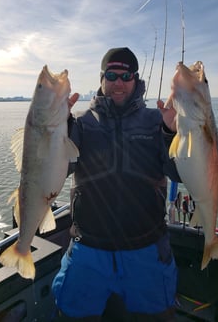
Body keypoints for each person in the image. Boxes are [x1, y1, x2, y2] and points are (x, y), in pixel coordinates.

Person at [52, 47, 181, 321]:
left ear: (136, 79)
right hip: (88, 252)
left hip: (147, 252)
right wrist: (57, 125)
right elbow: (58, 171)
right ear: (101, 79)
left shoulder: (158, 121)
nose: (119, 83)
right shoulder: (83, 124)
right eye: (111, 75)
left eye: (126, 75)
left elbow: (179, 173)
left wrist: (172, 134)